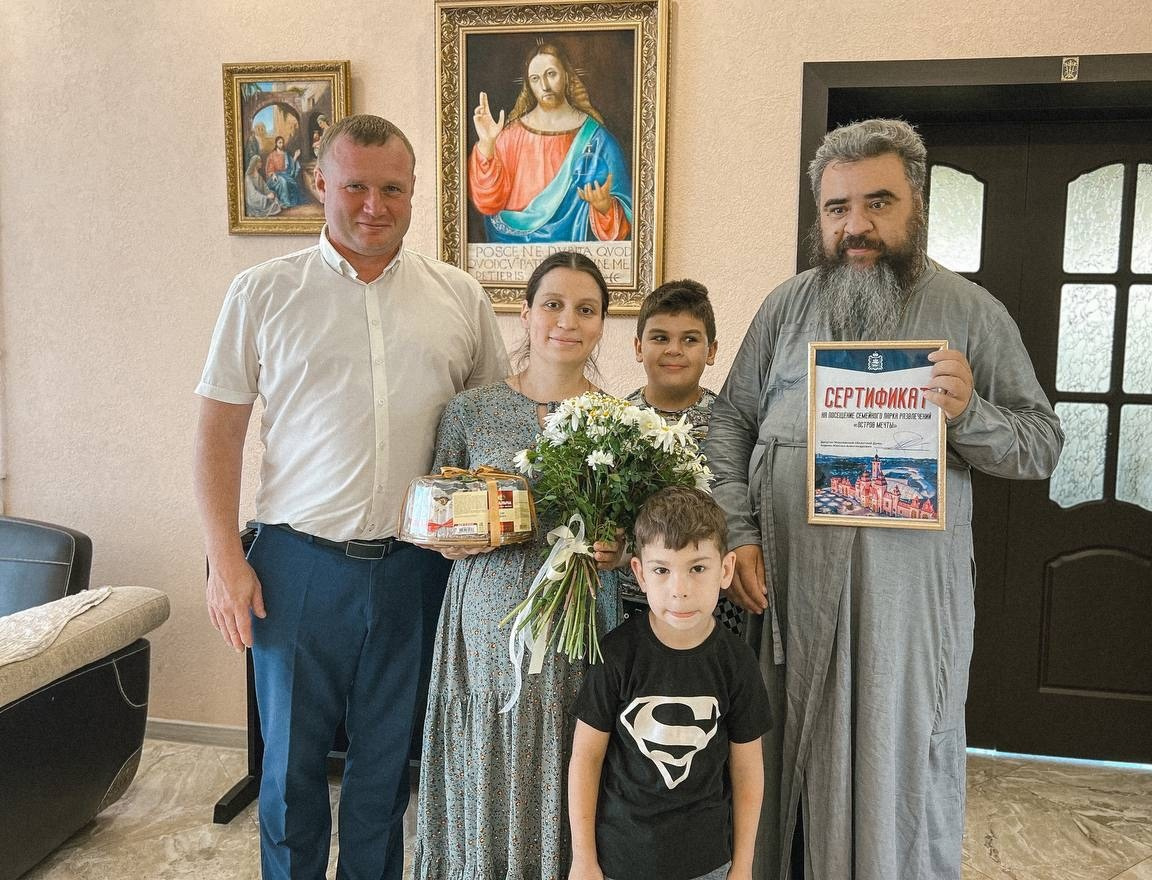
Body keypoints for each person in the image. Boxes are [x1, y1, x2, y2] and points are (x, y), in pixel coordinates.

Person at [703, 118, 1063, 880]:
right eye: (837, 208)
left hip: (904, 605)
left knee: (893, 762)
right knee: (776, 754)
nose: (856, 226)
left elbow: (1040, 445)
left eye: (878, 203)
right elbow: (730, 419)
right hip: (786, 588)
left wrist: (969, 414)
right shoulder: (786, 307)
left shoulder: (970, 312)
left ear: (916, 204)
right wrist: (739, 530)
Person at [195, 114, 508, 880]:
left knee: (385, 775)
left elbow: (493, 434)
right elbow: (217, 437)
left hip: (417, 572)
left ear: (414, 191)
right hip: (295, 571)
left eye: (392, 189)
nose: (375, 205)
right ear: (319, 184)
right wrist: (224, 561)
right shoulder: (263, 293)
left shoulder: (460, 297)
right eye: (356, 186)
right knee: (289, 776)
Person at [413, 251, 625, 880]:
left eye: (586, 309)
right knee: (489, 748)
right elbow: (436, 511)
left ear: (602, 324)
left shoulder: (620, 421)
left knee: (572, 750)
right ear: (526, 314)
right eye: (553, 305)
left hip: (580, 629)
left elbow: (637, 529)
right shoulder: (470, 411)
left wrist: (620, 548)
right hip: (485, 629)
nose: (568, 321)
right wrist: (449, 538)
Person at [568, 486, 772, 880]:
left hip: (707, 863)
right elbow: (586, 758)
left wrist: (744, 865)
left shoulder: (736, 661)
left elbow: (748, 769)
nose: (680, 589)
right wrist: (583, 859)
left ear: (725, 569)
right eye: (662, 570)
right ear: (640, 573)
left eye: (697, 568)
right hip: (619, 861)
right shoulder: (616, 654)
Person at [620, 280, 744, 635]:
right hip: (631, 598)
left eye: (689, 339)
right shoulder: (616, 423)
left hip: (712, 602)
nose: (674, 350)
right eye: (660, 338)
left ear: (711, 350)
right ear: (638, 347)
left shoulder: (730, 423)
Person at [468, 42, 633, 244]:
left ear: (567, 76)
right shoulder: (511, 136)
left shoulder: (596, 139)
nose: (544, 86)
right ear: (529, 84)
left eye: (551, 74)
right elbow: (488, 203)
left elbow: (626, 220)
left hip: (572, 255)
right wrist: (487, 144)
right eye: (535, 79)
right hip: (512, 246)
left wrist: (605, 206)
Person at [264, 134, 303, 208]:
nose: (281, 144)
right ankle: (285, 202)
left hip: (285, 174)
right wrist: (273, 175)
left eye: (282, 143)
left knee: (294, 183)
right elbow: (270, 169)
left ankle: (292, 202)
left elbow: (290, 167)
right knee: (283, 181)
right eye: (279, 142)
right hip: (275, 176)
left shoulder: (286, 154)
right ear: (276, 143)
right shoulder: (272, 155)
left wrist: (295, 156)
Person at [243, 154, 282, 218]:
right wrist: (266, 197)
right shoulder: (248, 177)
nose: (261, 163)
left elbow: (265, 188)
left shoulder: (259, 176)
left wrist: (269, 193)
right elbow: (253, 194)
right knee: (272, 204)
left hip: (262, 197)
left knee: (274, 197)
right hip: (255, 200)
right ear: (255, 163)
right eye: (260, 162)